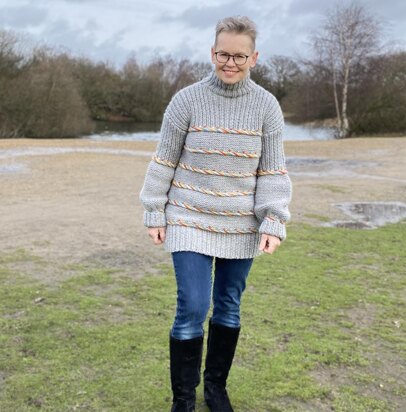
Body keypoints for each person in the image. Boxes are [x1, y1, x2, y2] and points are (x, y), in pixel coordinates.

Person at [139, 15, 292, 412]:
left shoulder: (266, 107)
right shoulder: (185, 100)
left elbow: (272, 170)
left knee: (228, 305)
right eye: (224, 54)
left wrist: (273, 219)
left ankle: (216, 389)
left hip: (241, 224)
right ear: (212, 52)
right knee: (192, 305)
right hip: (188, 217)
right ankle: (183, 399)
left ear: (254, 58)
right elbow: (164, 160)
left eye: (240, 56)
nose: (231, 62)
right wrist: (155, 211)